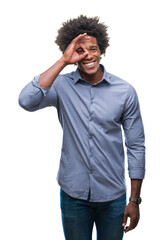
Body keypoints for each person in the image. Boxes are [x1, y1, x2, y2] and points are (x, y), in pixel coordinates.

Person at [19, 15, 145, 240]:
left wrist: (134, 200)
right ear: (73, 54)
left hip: (113, 197)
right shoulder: (60, 86)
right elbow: (26, 101)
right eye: (80, 51)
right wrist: (61, 62)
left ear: (102, 50)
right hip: (73, 195)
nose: (88, 55)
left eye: (93, 49)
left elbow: (136, 145)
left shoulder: (125, 91)